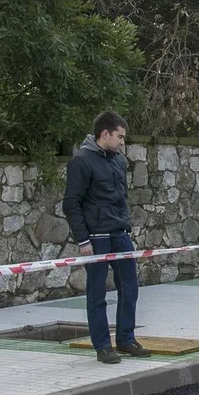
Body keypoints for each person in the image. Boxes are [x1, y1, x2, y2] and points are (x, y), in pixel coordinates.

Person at [63, 111, 151, 364]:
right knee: (97, 293)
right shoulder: (82, 161)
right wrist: (83, 240)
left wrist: (126, 226)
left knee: (130, 288)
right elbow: (71, 203)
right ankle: (102, 346)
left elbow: (120, 198)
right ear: (105, 134)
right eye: (120, 137)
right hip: (97, 237)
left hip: (120, 234)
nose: (123, 142)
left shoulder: (118, 161)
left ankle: (126, 339)